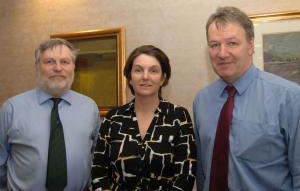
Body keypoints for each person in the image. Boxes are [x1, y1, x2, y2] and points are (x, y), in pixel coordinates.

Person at [193, 6, 300, 191]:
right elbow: (203, 170)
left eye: (232, 43)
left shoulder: (290, 98)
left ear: (250, 45)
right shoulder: (202, 101)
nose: (222, 53)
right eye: (214, 45)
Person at [0, 38, 101, 191]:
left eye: (65, 62)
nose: (58, 68)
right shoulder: (11, 108)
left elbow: (96, 156)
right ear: (37, 66)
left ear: (73, 67)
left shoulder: (89, 107)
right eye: (49, 62)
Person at [91, 45, 196, 191]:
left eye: (153, 70)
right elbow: (98, 171)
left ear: (163, 78)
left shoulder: (178, 117)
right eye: (138, 70)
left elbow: (186, 174)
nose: (145, 76)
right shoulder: (113, 119)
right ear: (129, 77)